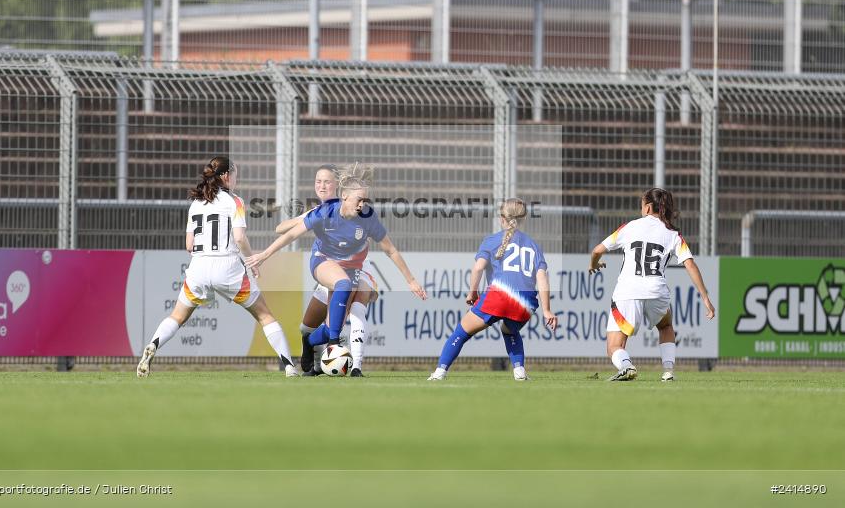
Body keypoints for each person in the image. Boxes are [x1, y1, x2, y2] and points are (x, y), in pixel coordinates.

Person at [247, 163, 426, 370]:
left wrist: (411, 280)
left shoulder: (368, 218)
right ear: (344, 196)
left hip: (352, 269)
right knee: (343, 285)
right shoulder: (325, 212)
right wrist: (265, 254)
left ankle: (310, 342)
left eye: (365, 200)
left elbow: (391, 250)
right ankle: (334, 346)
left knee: (331, 325)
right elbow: (290, 233)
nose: (363, 204)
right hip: (324, 261)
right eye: (359, 200)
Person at [137, 156, 298, 378]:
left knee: (177, 316)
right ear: (225, 176)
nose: (236, 180)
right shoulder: (235, 201)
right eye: (235, 175)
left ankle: (153, 345)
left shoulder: (195, 203)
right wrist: (252, 261)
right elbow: (240, 238)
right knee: (264, 316)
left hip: (199, 267)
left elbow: (188, 245)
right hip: (229, 267)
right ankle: (289, 366)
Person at [588, 187, 716, 382]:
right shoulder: (673, 234)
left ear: (648, 208)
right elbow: (690, 264)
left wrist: (594, 264)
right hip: (657, 292)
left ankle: (626, 366)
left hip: (628, 292)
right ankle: (668, 372)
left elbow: (597, 250)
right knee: (666, 326)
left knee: (614, 345)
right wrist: (705, 297)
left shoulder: (629, 227)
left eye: (642, 205)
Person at [428, 198, 558, 382]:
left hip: (499, 296)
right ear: (524, 219)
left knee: (461, 332)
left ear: (501, 219)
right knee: (509, 330)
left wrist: (472, 291)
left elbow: (479, 267)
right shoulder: (534, 245)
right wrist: (546, 310)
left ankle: (440, 372)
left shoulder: (492, 240)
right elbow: (542, 277)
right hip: (525, 302)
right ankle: (519, 371)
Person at [276, 164, 378, 376]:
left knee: (349, 317)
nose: (322, 186)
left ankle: (353, 366)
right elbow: (281, 228)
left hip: (352, 269)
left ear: (338, 187)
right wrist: (306, 218)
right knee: (307, 327)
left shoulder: (350, 206)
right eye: (318, 181)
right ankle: (316, 354)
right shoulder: (321, 211)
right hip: (330, 270)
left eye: (327, 181)